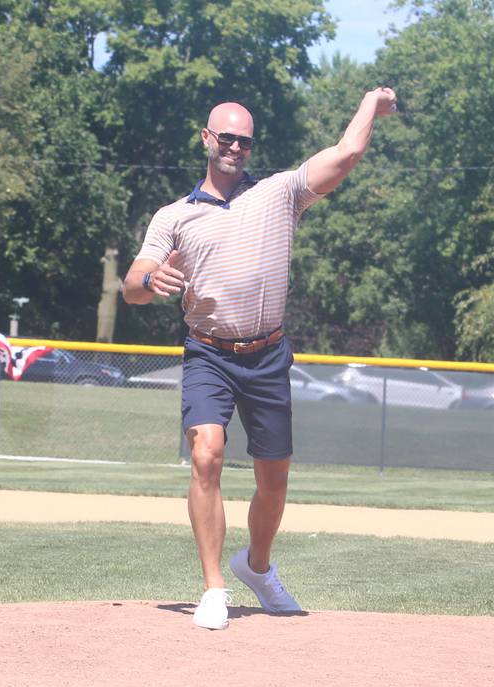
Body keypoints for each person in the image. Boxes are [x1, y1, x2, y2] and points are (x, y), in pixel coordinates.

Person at [122, 87, 398, 630]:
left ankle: (257, 567)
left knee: (274, 481)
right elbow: (131, 284)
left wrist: (369, 103)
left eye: (244, 141)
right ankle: (213, 589)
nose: (235, 148)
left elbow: (344, 155)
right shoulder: (174, 216)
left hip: (266, 355)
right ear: (206, 139)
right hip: (208, 353)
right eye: (226, 137)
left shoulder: (279, 195)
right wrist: (153, 279)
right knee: (207, 454)